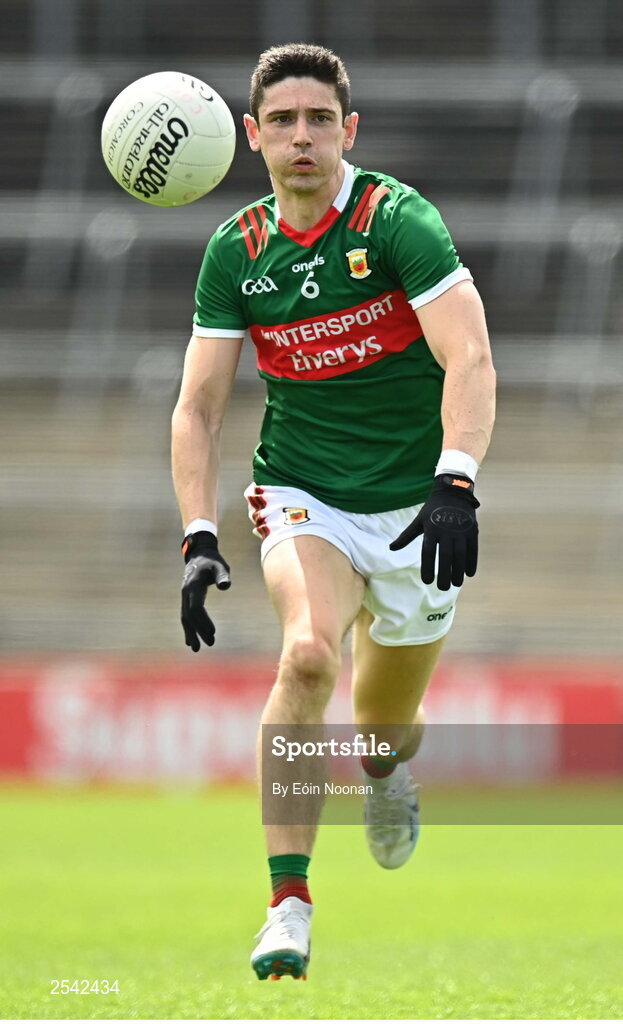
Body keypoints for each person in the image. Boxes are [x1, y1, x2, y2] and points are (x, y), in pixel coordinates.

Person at [171, 42, 496, 982]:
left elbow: (469, 358)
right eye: (282, 120)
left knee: (382, 724)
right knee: (308, 653)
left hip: (417, 507)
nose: (301, 136)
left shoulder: (397, 221)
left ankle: (387, 774)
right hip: (303, 491)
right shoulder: (237, 250)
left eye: (319, 119)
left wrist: (457, 478)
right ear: (251, 136)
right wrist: (197, 534)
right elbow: (197, 407)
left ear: (347, 130)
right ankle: (287, 905)